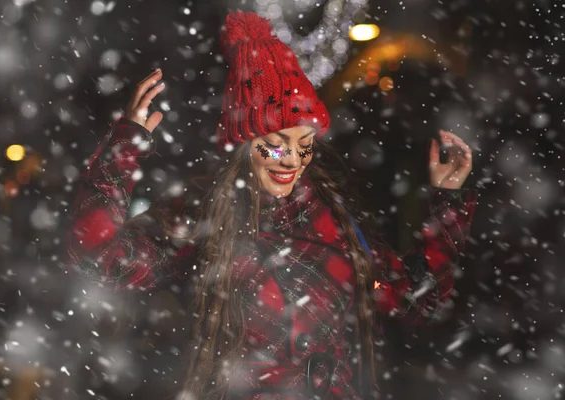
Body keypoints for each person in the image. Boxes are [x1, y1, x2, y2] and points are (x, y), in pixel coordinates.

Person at [67, 10, 477, 400]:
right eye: (277, 147)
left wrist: (449, 205)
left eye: (305, 147)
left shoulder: (335, 223)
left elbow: (418, 300)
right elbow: (101, 258)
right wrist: (124, 149)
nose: (294, 162)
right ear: (244, 145)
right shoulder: (202, 213)